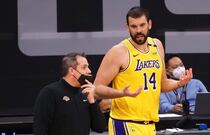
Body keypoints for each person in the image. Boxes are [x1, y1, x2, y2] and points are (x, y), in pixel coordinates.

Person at [94, 6, 193, 135]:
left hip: (149, 125)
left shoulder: (157, 45)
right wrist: (121, 93)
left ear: (149, 24)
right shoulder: (119, 51)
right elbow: (96, 89)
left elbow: (161, 83)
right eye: (133, 26)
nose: (138, 30)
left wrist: (179, 83)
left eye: (142, 25)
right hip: (126, 123)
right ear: (127, 27)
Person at [33, 52, 106, 135]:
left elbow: (100, 128)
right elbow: (40, 129)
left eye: (88, 67)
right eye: (84, 67)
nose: (89, 71)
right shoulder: (50, 92)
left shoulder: (85, 94)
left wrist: (92, 102)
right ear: (72, 71)